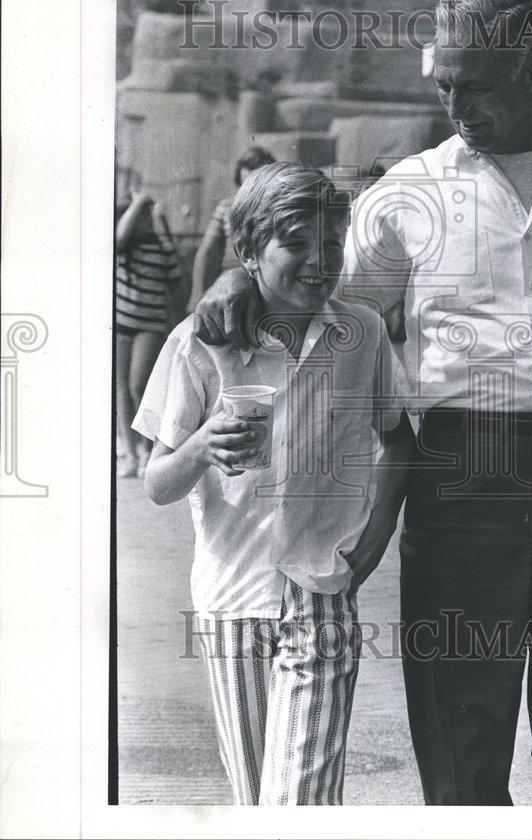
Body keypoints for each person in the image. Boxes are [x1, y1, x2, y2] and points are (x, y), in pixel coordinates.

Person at [192, 0, 532, 807]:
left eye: (471, 83)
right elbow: (320, 296)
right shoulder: (406, 190)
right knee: (459, 752)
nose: (452, 103)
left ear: (530, 64)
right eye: (441, 83)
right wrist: (237, 274)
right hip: (454, 485)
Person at [132, 163, 413, 805]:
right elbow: (157, 483)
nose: (320, 261)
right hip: (230, 597)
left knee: (299, 804)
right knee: (255, 798)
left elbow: (399, 437)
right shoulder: (199, 343)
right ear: (252, 251)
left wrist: (371, 544)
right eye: (297, 243)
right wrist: (202, 446)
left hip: (320, 587)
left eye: (333, 244)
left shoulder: (360, 333)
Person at [116, 190, 182, 477]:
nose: (142, 221)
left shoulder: (160, 246)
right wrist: (139, 202)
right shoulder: (124, 247)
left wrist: (157, 217)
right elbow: (118, 237)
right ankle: (130, 454)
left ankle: (147, 449)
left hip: (150, 324)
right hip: (122, 322)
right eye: (137, 216)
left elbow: (176, 274)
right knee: (121, 389)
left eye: (145, 216)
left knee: (138, 386)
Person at [187, 146, 275, 309]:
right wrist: (197, 293)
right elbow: (207, 250)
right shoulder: (227, 206)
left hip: (266, 284)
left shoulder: (277, 208)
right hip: (232, 282)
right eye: (245, 186)